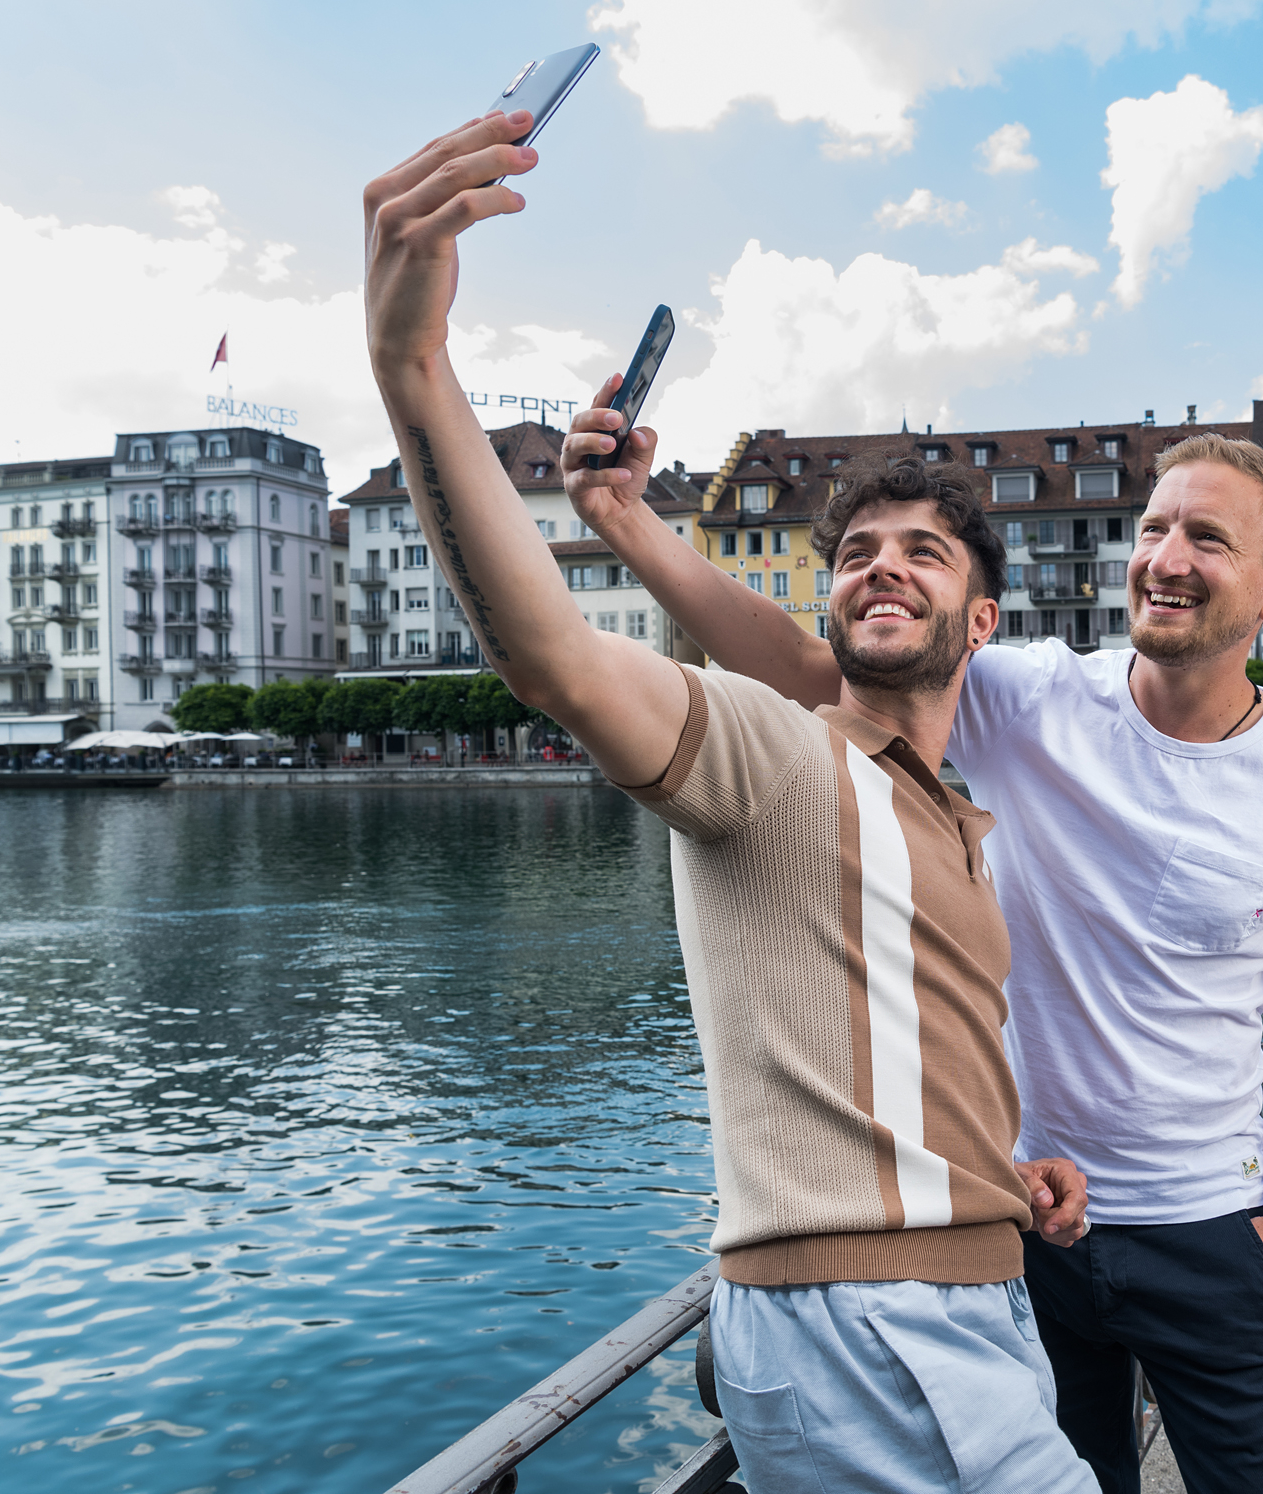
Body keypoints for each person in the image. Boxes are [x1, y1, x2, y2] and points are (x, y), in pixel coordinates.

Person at [364, 110, 1098, 1493]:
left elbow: (903, 1047)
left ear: (981, 613)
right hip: (867, 1324)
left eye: (922, 552)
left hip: (971, 1300)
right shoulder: (778, 756)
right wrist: (413, 363)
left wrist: (1006, 1172)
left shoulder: (945, 809)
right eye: (858, 552)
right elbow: (553, 655)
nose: (882, 566)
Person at [570, 423, 1263, 1493]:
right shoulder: (1034, 697)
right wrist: (628, 520)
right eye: (1152, 527)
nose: (1166, 557)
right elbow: (807, 663)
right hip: (1028, 1228)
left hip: (1210, 1230)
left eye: (1207, 538)